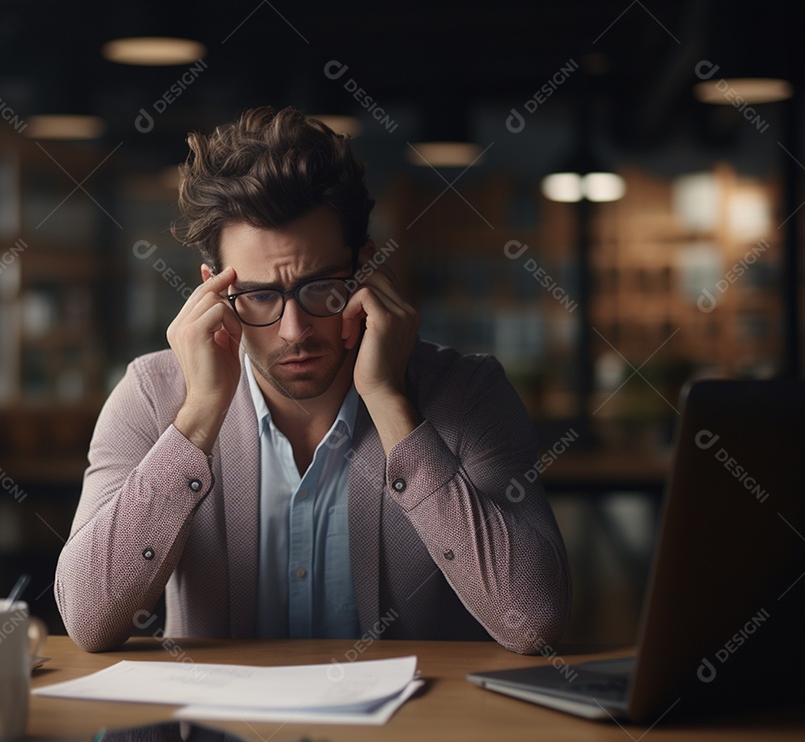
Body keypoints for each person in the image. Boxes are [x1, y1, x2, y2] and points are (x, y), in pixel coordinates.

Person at [56, 106, 570, 653]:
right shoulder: (153, 395)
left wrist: (393, 403)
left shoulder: (468, 393)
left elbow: (533, 621)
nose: (293, 330)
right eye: (259, 295)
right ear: (212, 292)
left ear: (366, 270)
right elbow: (89, 620)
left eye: (320, 287)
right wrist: (199, 415)